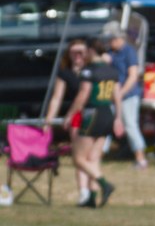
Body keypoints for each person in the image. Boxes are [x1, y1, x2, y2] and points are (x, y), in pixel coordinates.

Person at [63, 39, 123, 208]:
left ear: (90, 51)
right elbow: (117, 96)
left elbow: (83, 95)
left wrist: (70, 115)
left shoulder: (89, 71)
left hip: (93, 113)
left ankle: (104, 184)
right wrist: (118, 117)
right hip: (107, 113)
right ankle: (91, 198)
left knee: (79, 158)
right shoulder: (111, 71)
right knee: (93, 158)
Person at [44, 38, 92, 203]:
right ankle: (84, 191)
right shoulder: (65, 72)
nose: (78, 55)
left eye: (81, 52)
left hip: (96, 114)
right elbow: (56, 98)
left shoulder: (93, 69)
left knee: (92, 156)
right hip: (77, 115)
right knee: (80, 155)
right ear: (69, 54)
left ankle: (93, 189)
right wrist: (48, 120)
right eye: (74, 52)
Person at [103, 21, 148, 170]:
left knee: (130, 125)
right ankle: (98, 156)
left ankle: (141, 159)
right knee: (105, 125)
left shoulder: (129, 51)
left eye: (110, 39)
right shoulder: (109, 53)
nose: (109, 42)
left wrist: (121, 93)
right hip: (111, 96)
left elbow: (133, 76)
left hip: (128, 96)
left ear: (117, 38)